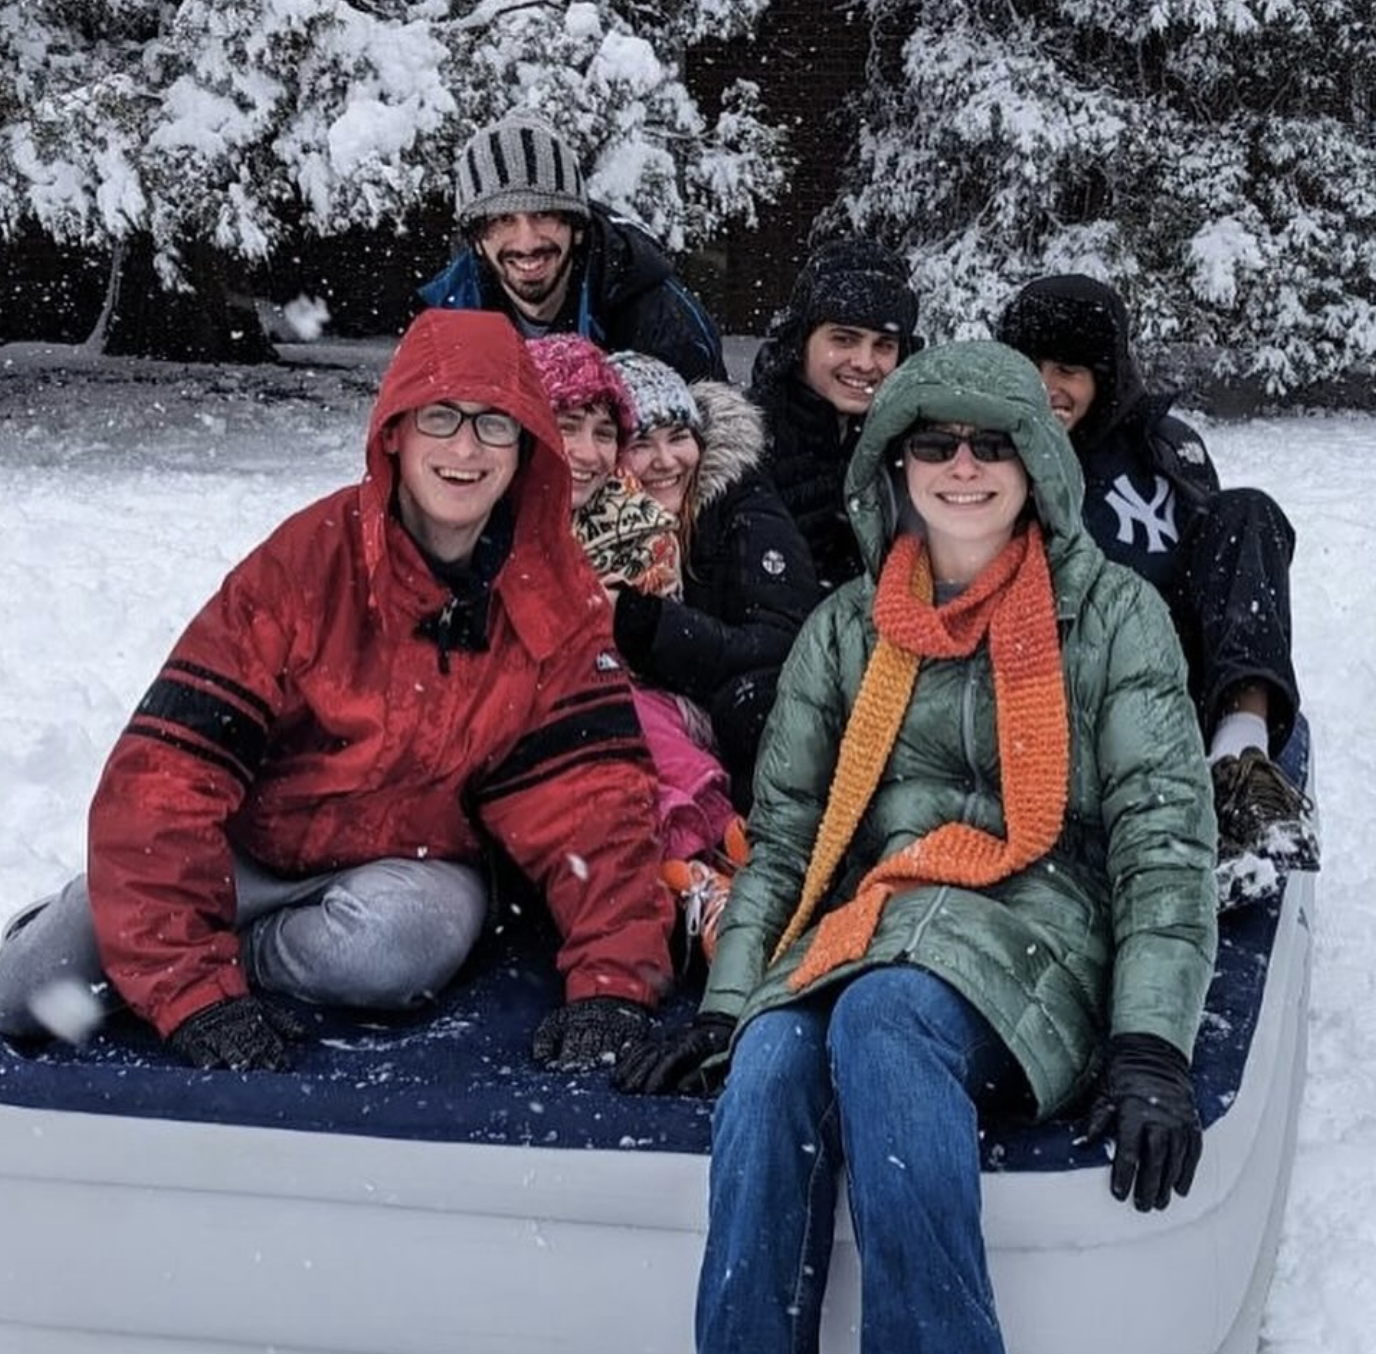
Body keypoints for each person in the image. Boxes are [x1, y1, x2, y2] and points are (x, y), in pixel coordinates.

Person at [615, 340, 1220, 1354]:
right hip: (868, 924)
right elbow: (787, 838)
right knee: (766, 1063)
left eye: (992, 443)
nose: (962, 467)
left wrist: (1150, 1043)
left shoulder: (1113, 617)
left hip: (1040, 925)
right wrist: (727, 1003)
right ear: (894, 463)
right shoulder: (847, 628)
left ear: (1035, 462)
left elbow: (1161, 834)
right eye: (932, 442)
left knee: (887, 1015)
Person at [0, 309, 675, 1074]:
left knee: (397, 948)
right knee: (27, 992)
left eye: (495, 424)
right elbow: (168, 774)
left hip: (409, 868)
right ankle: (123, 932)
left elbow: (594, 804)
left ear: (525, 449)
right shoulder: (303, 566)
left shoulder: (551, 595)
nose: (465, 447)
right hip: (246, 851)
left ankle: (233, 955)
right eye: (441, 418)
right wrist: (190, 990)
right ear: (395, 433)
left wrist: (614, 984)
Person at [997, 273, 1318, 871]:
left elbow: (1223, 568)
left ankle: (1238, 765)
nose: (1047, 387)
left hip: (1179, 681)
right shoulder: (988, 454)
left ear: (1104, 377)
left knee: (1249, 513)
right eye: (1031, 365)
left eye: (1068, 369)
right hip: (1060, 695)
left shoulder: (1166, 447)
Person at [525, 332, 744, 960]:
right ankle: (690, 879)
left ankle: (730, 856)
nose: (588, 452)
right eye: (569, 426)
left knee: (627, 723)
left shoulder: (636, 521)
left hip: (639, 697)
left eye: (603, 432)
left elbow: (658, 632)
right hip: (546, 714)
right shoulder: (495, 515)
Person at [607, 351, 820, 813]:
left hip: (728, 731)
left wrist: (646, 624)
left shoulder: (738, 506)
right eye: (641, 442)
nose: (666, 461)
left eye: (679, 437)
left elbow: (783, 644)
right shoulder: (599, 524)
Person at [418, 115, 726, 382]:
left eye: (544, 214)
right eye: (502, 220)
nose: (527, 241)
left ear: (577, 228)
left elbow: (703, 441)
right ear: (476, 241)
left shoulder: (659, 319)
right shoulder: (450, 317)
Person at [750, 236, 920, 590]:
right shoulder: (745, 443)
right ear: (801, 342)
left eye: (883, 345)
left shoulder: (914, 444)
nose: (864, 362)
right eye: (844, 339)